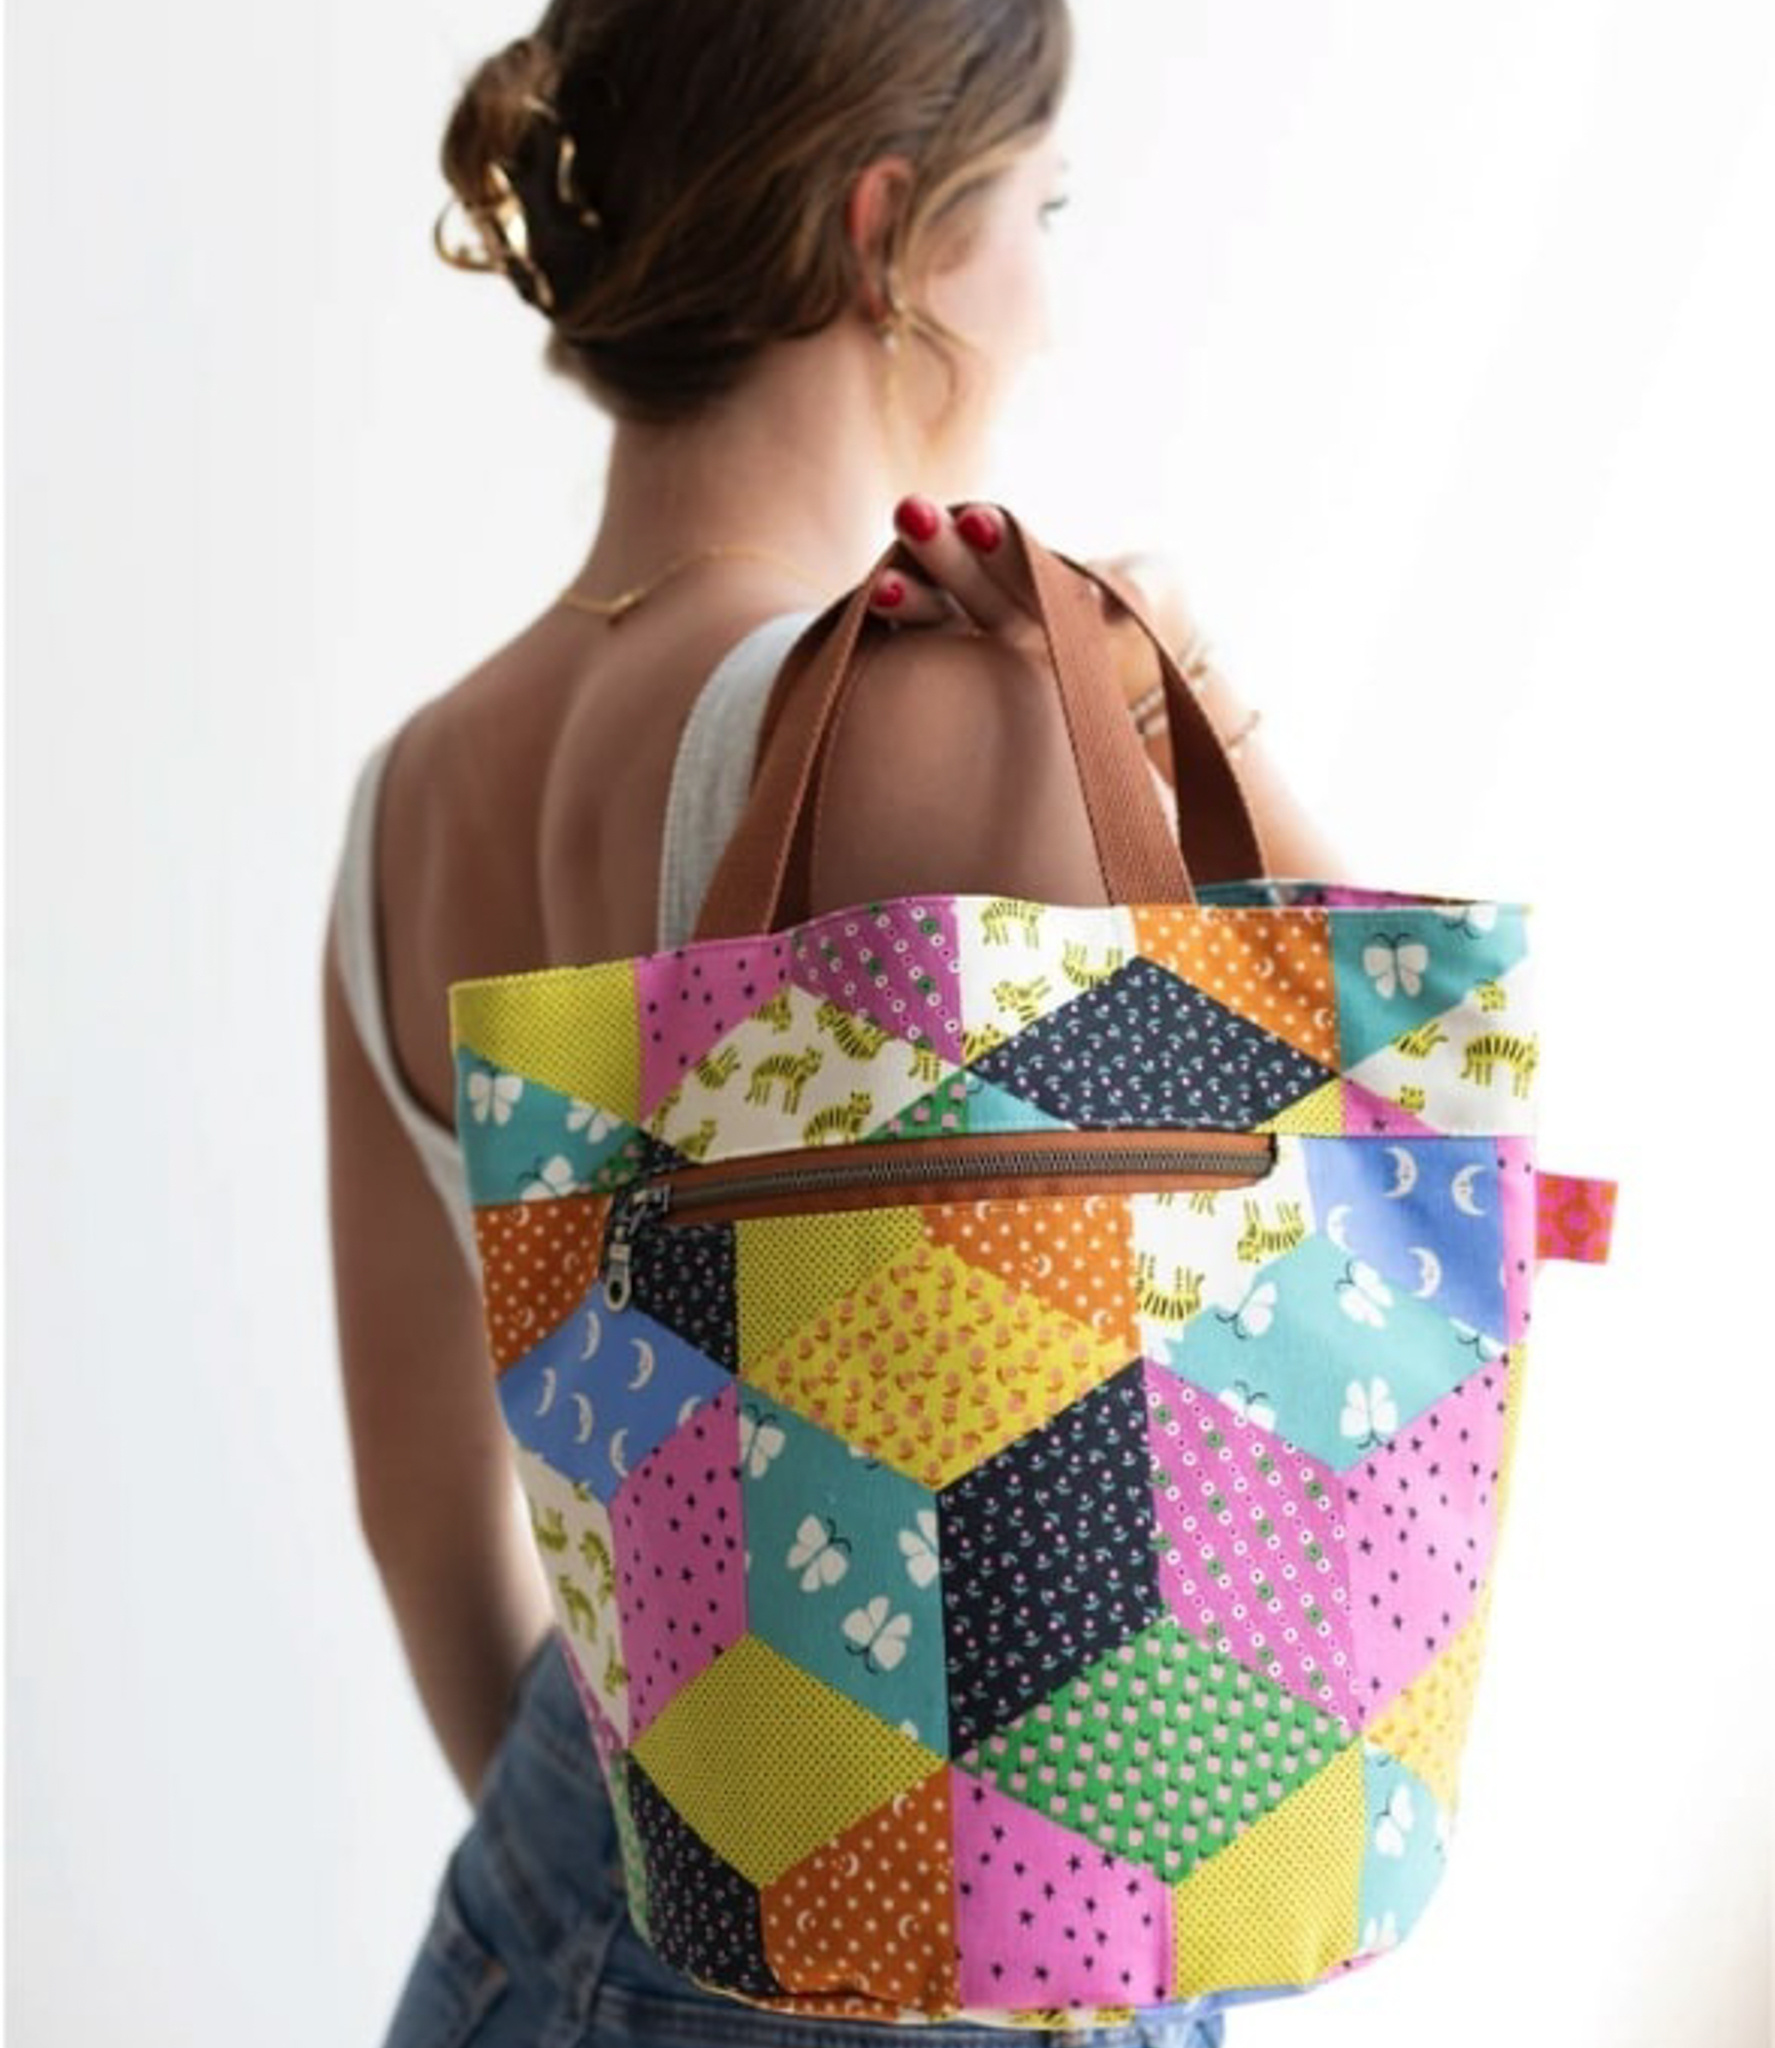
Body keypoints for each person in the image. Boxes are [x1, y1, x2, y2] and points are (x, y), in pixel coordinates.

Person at [323, 2, 1352, 2041]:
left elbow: (424, 1522)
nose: (1047, 303)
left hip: (530, 1931)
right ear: (888, 233)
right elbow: (1366, 1195)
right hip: (969, 1962)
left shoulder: (410, 793)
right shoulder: (923, 710)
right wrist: (1194, 691)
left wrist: (671, 1848)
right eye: (1041, 212)